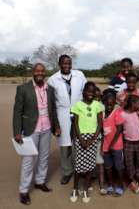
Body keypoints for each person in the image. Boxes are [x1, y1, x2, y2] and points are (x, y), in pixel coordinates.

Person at [13, 63, 61, 205]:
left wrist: (56, 126)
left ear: (45, 73)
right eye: (37, 71)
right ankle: (23, 190)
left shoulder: (50, 90)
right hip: (30, 129)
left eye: (42, 71)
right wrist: (17, 132)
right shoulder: (23, 89)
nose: (40, 73)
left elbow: (53, 110)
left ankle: (40, 182)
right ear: (33, 72)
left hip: (46, 128)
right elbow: (17, 112)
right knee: (28, 160)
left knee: (44, 157)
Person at [48, 55, 87, 185]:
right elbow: (51, 104)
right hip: (62, 114)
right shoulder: (53, 80)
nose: (67, 66)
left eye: (69, 63)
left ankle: (80, 170)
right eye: (64, 63)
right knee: (65, 146)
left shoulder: (79, 75)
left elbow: (87, 92)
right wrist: (55, 125)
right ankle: (67, 172)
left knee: (80, 142)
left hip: (79, 113)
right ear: (59, 64)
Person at [70, 82, 104, 203]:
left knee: (90, 166)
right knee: (79, 166)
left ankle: (85, 189)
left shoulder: (97, 105)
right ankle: (74, 189)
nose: (90, 94)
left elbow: (100, 123)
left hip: (93, 137)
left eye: (92, 91)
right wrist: (81, 139)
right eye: (88, 91)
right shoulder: (77, 105)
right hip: (80, 137)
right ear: (83, 91)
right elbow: (75, 124)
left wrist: (92, 139)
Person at [101, 91, 125, 196]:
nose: (109, 106)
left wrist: (112, 144)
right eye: (107, 104)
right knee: (108, 167)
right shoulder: (102, 114)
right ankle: (110, 185)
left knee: (118, 167)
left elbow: (119, 129)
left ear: (114, 103)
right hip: (106, 146)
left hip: (116, 145)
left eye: (111, 104)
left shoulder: (117, 112)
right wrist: (104, 145)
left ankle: (120, 186)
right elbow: (102, 131)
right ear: (104, 103)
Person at [121, 95, 139, 194]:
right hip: (128, 142)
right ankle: (132, 180)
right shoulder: (123, 114)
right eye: (138, 103)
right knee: (129, 162)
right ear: (132, 104)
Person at [94, 87, 106, 194]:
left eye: (99, 97)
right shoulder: (85, 106)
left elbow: (103, 124)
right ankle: (88, 184)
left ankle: (102, 185)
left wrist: (103, 142)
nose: (97, 99)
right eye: (95, 96)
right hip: (88, 138)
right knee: (88, 162)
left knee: (100, 162)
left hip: (99, 138)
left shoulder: (102, 107)